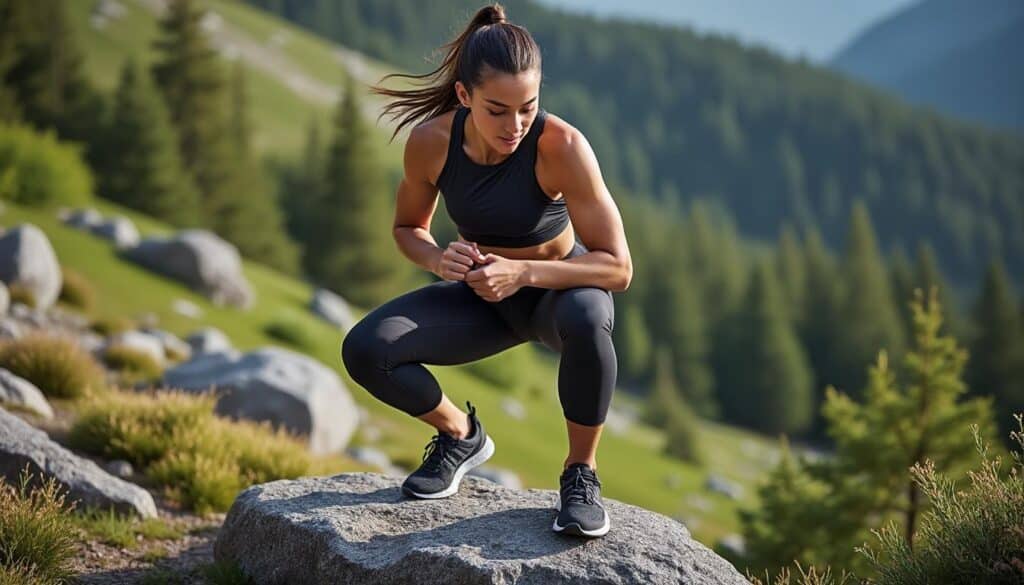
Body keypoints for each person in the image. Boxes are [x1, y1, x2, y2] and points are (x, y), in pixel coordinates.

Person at [341, 2, 632, 538]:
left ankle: (581, 473)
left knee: (591, 319)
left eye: (528, 108)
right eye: (497, 110)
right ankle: (460, 435)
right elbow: (407, 228)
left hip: (556, 294)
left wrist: (522, 274)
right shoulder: (431, 143)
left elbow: (617, 268)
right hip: (480, 297)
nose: (515, 125)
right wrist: (436, 259)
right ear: (464, 95)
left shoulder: (562, 146)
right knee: (365, 349)